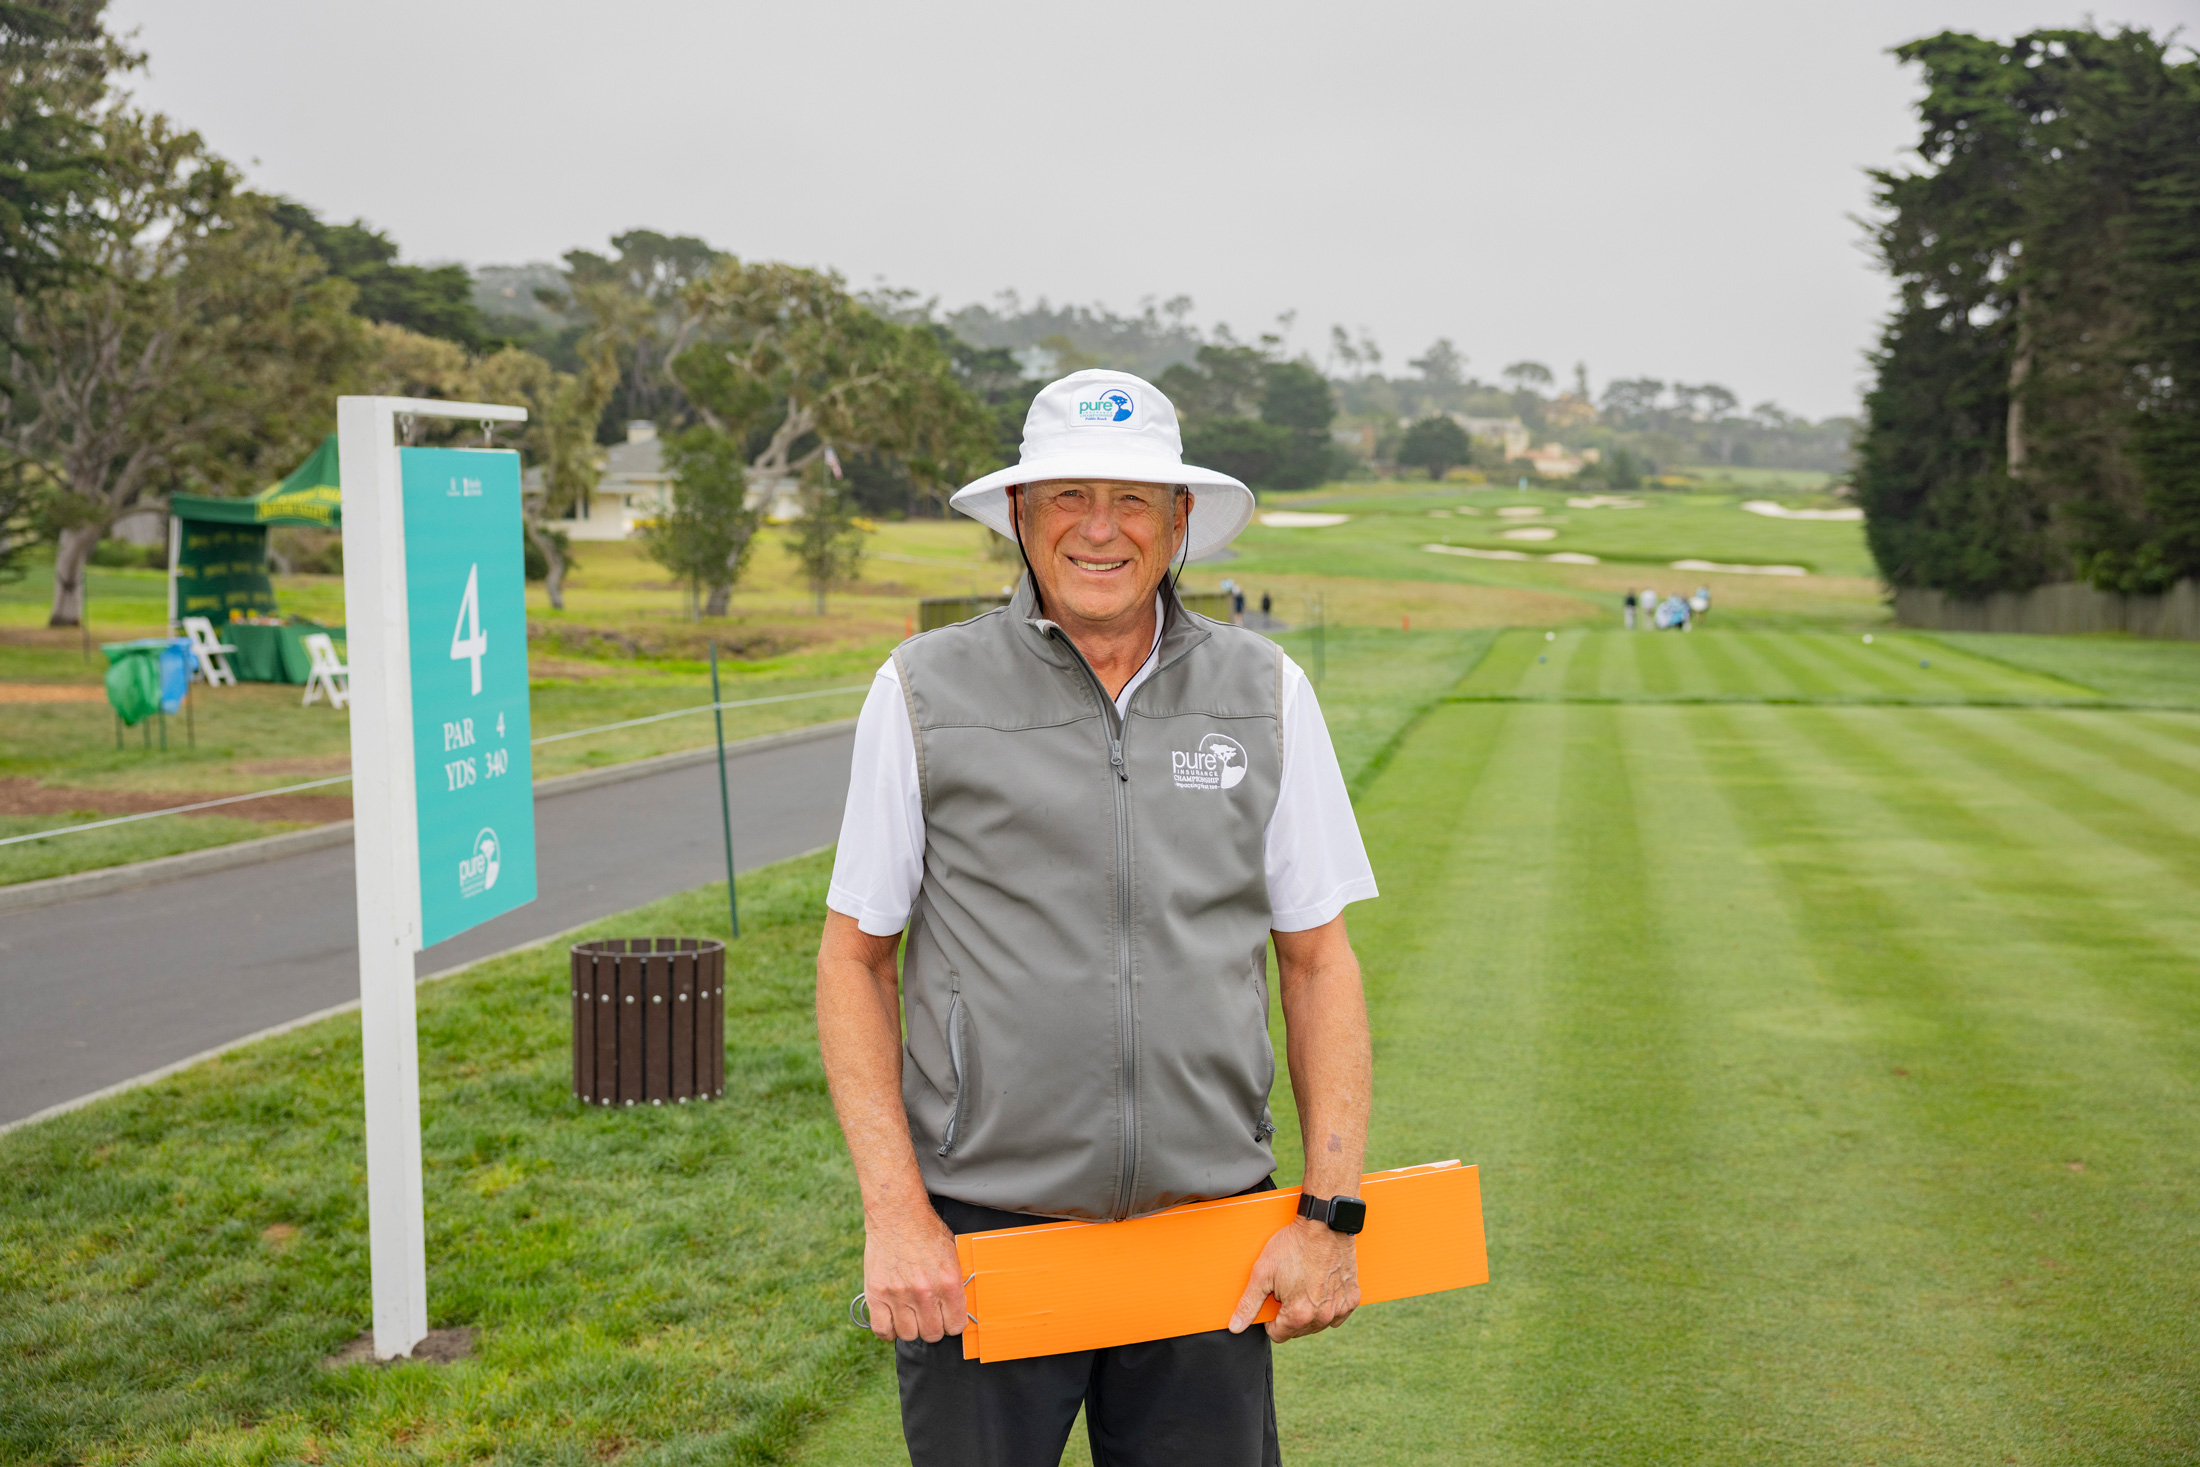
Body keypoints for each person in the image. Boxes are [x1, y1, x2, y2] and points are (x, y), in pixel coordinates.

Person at [817, 369, 1379, 1467]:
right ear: (1020, 520)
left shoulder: (1263, 691)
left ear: (1179, 525)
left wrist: (1328, 1213)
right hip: (979, 1239)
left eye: (1132, 501)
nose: (1099, 530)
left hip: (1206, 1234)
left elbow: (1318, 963)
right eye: (1068, 496)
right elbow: (853, 962)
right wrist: (895, 1216)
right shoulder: (923, 688)